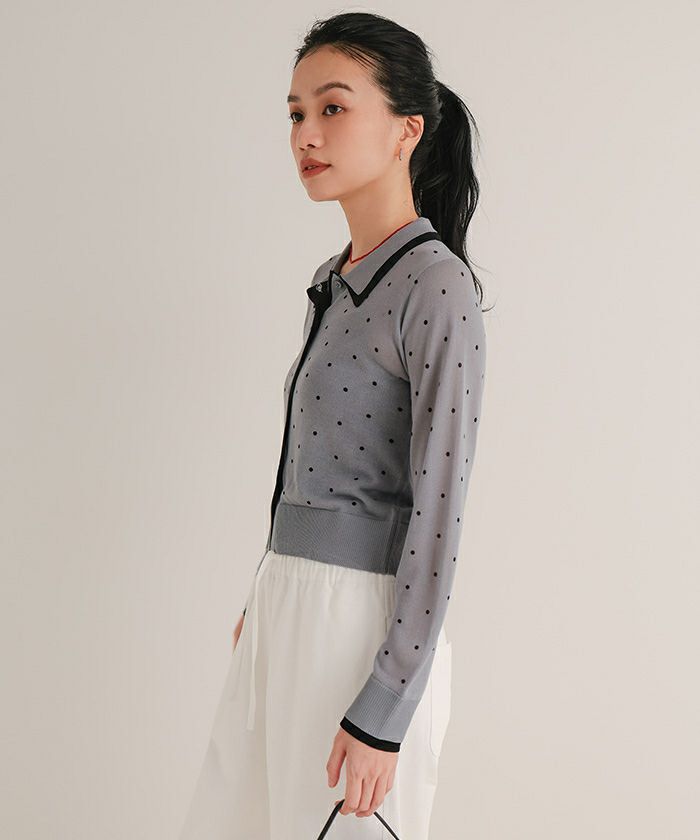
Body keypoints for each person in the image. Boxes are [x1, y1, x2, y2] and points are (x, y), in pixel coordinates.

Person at [179, 11, 490, 839]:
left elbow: (440, 509)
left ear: (406, 130)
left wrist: (385, 706)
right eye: (295, 113)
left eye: (332, 107)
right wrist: (268, 588)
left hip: (360, 628)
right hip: (287, 609)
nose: (306, 134)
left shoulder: (436, 287)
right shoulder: (334, 279)